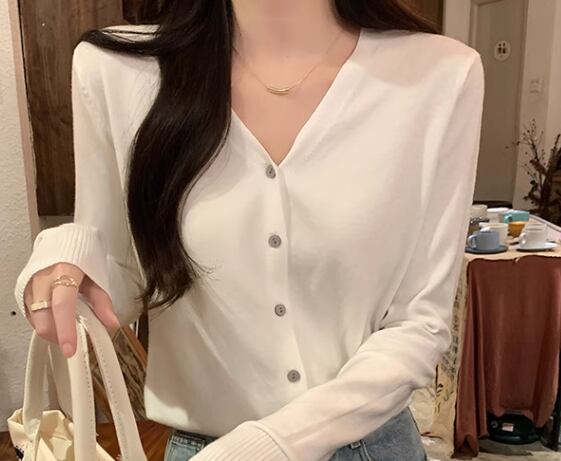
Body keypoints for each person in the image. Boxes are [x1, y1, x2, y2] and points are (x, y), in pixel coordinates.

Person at [13, 1, 485, 460]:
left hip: (369, 448)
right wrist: (65, 257)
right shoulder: (117, 70)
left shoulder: (439, 77)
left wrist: (276, 443)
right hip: (205, 447)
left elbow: (419, 323)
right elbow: (122, 280)